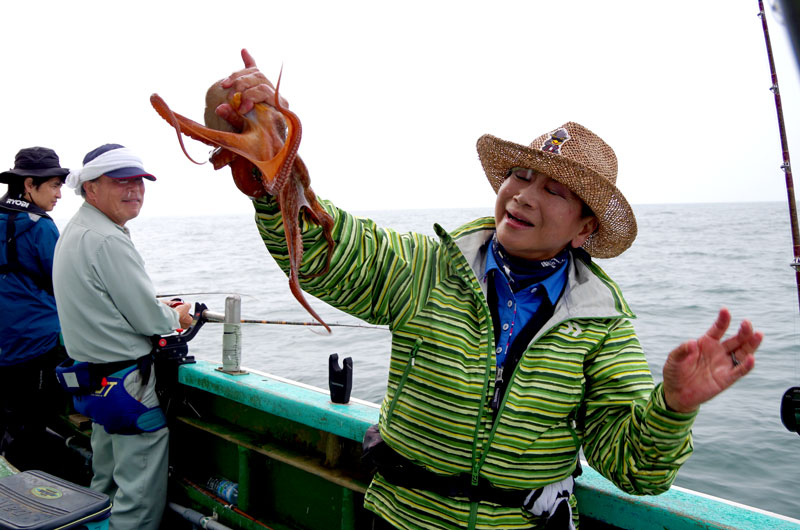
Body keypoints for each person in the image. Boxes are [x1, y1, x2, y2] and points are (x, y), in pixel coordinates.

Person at [215, 50, 762, 530]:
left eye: (554, 190)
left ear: (585, 229)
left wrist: (671, 407)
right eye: (520, 175)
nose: (524, 195)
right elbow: (335, 253)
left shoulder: (602, 325)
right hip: (401, 520)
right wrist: (279, 171)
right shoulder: (427, 266)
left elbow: (632, 468)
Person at [52, 143, 193, 530]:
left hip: (95, 385)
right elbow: (150, 318)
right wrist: (175, 315)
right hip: (128, 386)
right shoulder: (110, 239)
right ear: (91, 188)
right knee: (137, 502)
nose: (135, 190)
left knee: (104, 487)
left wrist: (153, 306)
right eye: (121, 182)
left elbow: (104, 298)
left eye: (139, 182)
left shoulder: (76, 230)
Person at [0, 147, 71, 472]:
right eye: (54, 185)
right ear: (29, 185)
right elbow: (65, 285)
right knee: (30, 430)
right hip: (35, 348)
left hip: (4, 347)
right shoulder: (41, 227)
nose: (59, 194)